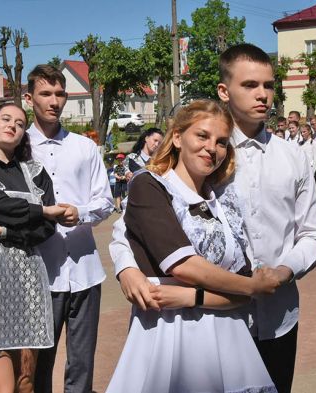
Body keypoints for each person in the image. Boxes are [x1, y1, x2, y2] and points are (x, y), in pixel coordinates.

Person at [112, 43, 316, 393]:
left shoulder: (294, 157)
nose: (263, 95)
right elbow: (132, 222)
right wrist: (126, 268)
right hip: (203, 320)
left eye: (269, 86)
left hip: (276, 315)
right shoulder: (203, 154)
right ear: (224, 90)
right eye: (250, 85)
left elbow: (313, 234)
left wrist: (283, 272)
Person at [107, 100, 278, 392]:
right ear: (177, 138)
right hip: (170, 336)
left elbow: (241, 294)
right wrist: (250, 287)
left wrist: (191, 297)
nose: (212, 148)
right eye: (202, 136)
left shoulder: (225, 201)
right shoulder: (150, 185)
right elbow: (183, 265)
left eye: (221, 142)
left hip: (229, 339)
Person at [0, 103, 67, 393]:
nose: (13, 126)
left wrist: (3, 229)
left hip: (28, 271)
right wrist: (42, 210)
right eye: (6, 119)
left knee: (25, 384)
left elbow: (46, 229)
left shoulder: (35, 171)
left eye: (20, 123)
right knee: (4, 388)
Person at [24, 64, 114, 393]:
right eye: (45, 93)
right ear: (29, 98)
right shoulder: (18, 149)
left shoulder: (84, 147)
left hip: (85, 268)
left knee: (82, 360)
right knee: (39, 360)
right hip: (39, 271)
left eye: (60, 93)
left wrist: (82, 212)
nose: (54, 100)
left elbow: (105, 201)